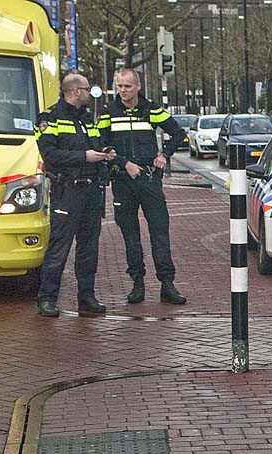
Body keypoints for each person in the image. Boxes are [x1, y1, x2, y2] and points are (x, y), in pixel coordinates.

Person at [97, 68, 187, 305]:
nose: (123, 91)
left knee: (159, 232)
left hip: (148, 179)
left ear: (138, 86)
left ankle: (167, 284)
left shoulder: (151, 109)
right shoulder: (109, 112)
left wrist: (164, 154)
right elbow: (100, 144)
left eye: (127, 86)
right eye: (119, 86)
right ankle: (137, 284)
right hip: (123, 181)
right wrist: (123, 163)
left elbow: (178, 133)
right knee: (130, 235)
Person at [36, 74, 115, 317]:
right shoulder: (49, 119)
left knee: (89, 246)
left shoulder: (85, 119)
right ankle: (47, 298)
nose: (90, 93)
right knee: (60, 245)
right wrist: (85, 157)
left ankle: (86, 296)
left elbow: (95, 143)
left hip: (91, 190)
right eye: (87, 89)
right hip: (67, 190)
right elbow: (50, 155)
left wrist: (104, 153)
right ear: (75, 92)